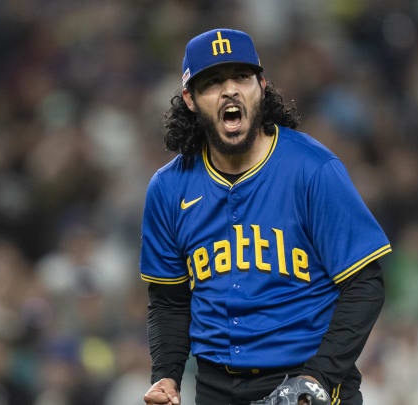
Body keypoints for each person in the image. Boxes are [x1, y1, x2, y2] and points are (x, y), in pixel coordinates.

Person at [141, 28, 391, 405]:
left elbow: (365, 285)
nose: (229, 91)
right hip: (214, 387)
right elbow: (169, 299)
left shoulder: (313, 169)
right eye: (212, 82)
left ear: (262, 85)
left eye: (241, 77)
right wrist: (166, 375)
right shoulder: (168, 188)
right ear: (190, 99)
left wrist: (319, 375)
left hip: (305, 379)